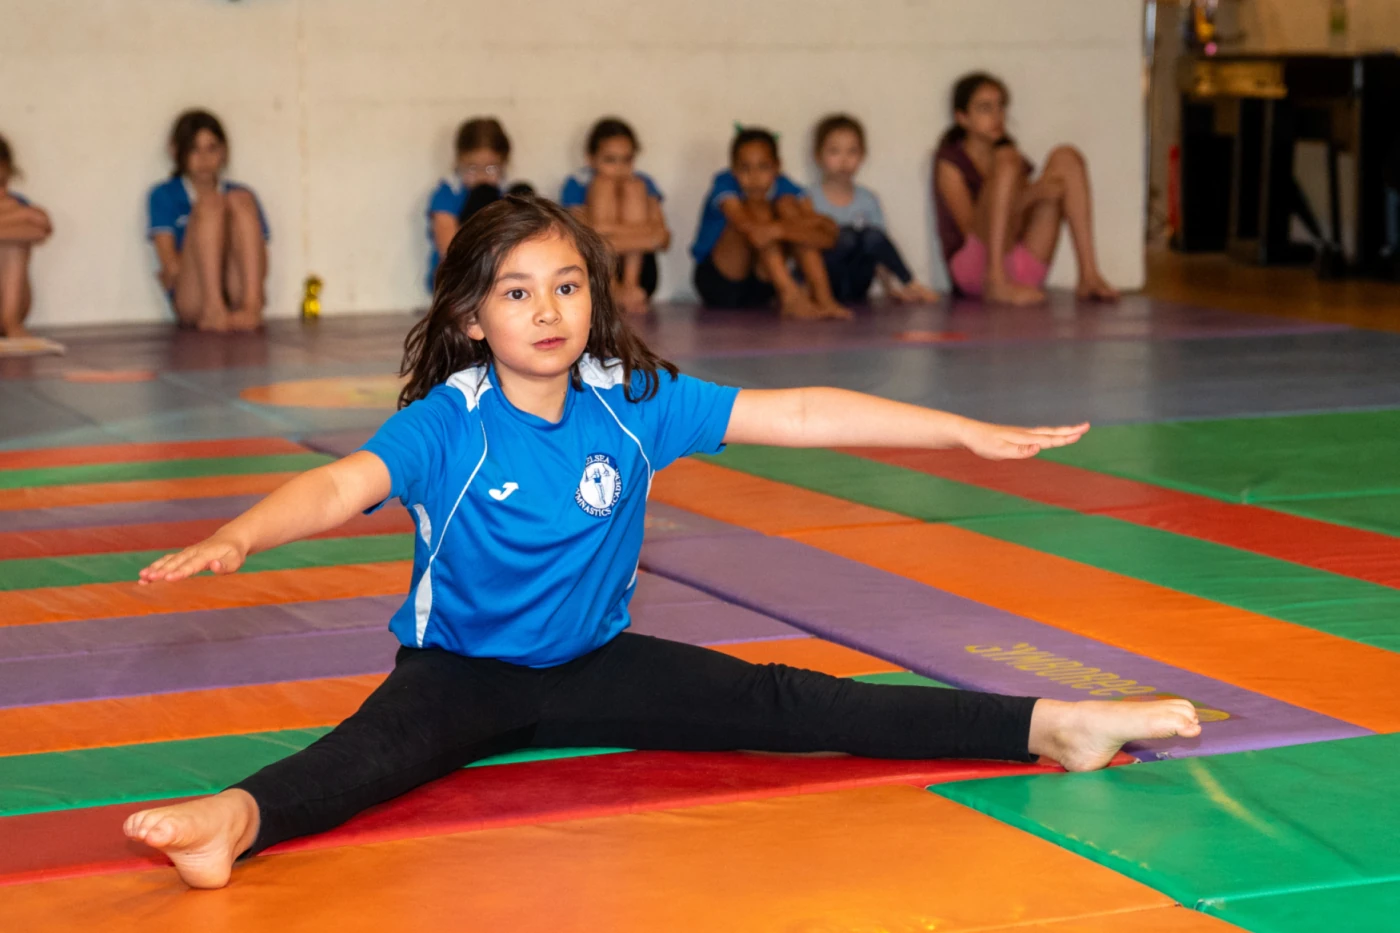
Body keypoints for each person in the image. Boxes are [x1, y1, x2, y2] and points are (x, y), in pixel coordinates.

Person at [123, 195, 1200, 890]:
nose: (547, 310)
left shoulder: (631, 401)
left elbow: (801, 415)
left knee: (796, 703)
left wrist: (957, 429)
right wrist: (240, 534)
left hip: (599, 662)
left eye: (566, 285)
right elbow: (338, 484)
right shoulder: (447, 421)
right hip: (463, 673)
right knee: (370, 758)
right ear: (471, 320)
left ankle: (1048, 727)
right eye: (515, 292)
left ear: (593, 297)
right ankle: (234, 819)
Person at [933, 72, 1119, 305]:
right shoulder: (951, 161)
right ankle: (996, 281)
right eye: (985, 108)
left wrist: (1040, 197)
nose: (997, 115)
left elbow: (1018, 223)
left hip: (1020, 266)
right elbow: (971, 229)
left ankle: (1089, 275)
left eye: (1000, 107)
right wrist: (1033, 194)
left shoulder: (1009, 155)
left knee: (1067, 157)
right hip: (974, 271)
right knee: (1009, 161)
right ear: (962, 118)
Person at [690, 127, 850, 319]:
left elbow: (827, 238)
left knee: (787, 206)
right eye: (744, 168)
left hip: (762, 287)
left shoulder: (786, 188)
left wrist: (781, 229)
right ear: (733, 169)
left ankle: (824, 299)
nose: (754, 176)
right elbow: (752, 231)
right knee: (759, 208)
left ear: (777, 166)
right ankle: (790, 294)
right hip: (721, 284)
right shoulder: (725, 184)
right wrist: (783, 228)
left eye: (763, 167)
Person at [147, 110, 270, 332]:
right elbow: (171, 267)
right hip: (196, 297)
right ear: (176, 152)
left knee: (240, 199)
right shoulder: (164, 195)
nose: (204, 158)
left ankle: (252, 307)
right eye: (194, 149)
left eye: (212, 148)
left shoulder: (240, 195)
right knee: (210, 205)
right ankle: (214, 309)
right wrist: (208, 237)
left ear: (223, 152)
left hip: (236, 287)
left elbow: (261, 262)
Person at [810, 114, 939, 305]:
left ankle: (909, 282)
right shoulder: (808, 198)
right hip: (825, 280)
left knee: (872, 235)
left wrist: (889, 289)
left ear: (862, 155)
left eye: (852, 151)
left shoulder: (868, 199)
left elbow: (879, 249)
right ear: (818, 156)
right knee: (845, 237)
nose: (844, 160)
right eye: (834, 151)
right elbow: (804, 251)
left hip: (857, 282)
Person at [560, 117, 669, 315]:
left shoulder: (643, 182)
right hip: (596, 273)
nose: (619, 168)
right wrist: (646, 236)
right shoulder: (577, 183)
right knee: (603, 185)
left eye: (627, 159)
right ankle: (611, 288)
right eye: (610, 159)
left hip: (642, 277)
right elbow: (583, 238)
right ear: (590, 158)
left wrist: (604, 229)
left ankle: (629, 284)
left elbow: (662, 239)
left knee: (634, 187)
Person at [425, 117, 533, 292]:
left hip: (502, 271)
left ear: (504, 164)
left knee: (523, 194)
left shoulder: (508, 191)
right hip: (458, 273)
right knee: (482, 195)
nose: (482, 176)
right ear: (458, 161)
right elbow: (448, 247)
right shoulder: (448, 192)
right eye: (472, 168)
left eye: (491, 168)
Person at [0, 134, 52, 338]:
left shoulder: (15, 202)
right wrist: (21, 215)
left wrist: (21, 213)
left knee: (16, 244)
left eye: (3, 183)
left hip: (10, 305)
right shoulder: (17, 210)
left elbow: (40, 228)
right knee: (14, 236)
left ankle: (11, 321)